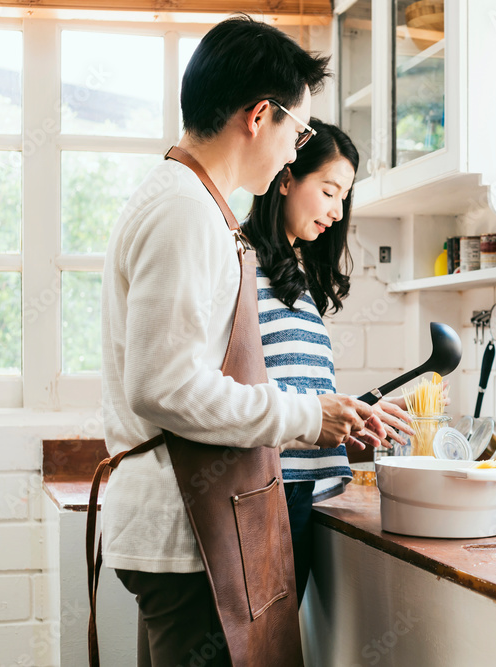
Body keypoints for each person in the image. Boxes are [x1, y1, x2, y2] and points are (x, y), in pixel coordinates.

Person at [100, 16, 384, 666]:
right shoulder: (183, 211)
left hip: (188, 526)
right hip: (185, 532)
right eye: (299, 131)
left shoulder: (183, 199)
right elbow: (165, 388)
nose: (295, 150)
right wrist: (308, 413)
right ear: (260, 116)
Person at [241, 119, 413, 605]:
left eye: (345, 197)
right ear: (286, 176)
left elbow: (294, 401)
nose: (338, 212)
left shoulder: (293, 278)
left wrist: (359, 419)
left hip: (293, 496)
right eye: (329, 191)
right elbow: (234, 397)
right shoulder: (240, 265)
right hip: (259, 500)